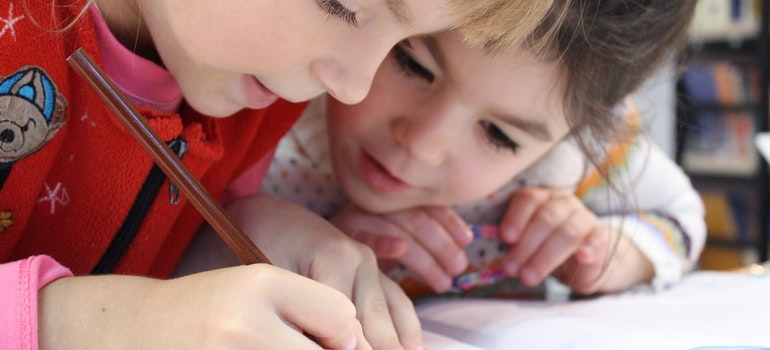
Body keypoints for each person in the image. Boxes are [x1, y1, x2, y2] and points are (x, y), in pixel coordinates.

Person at [0, 0, 567, 349]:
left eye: (397, 44)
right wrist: (97, 328)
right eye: (341, 4)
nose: (353, 87)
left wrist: (245, 237)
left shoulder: (253, 93)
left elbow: (141, 261)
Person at [186, 0, 704, 299]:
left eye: (500, 136)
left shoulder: (574, 159)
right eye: (412, 65)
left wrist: (611, 253)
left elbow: (681, 218)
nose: (423, 145)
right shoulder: (274, 98)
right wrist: (283, 247)